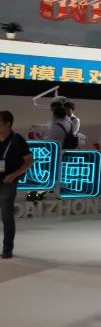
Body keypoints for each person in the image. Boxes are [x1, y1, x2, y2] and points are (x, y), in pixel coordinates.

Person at [0, 110, 33, 259]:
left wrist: (14, 175)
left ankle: (7, 249)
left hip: (8, 182)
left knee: (6, 216)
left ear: (7, 124)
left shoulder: (17, 140)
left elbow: (29, 161)